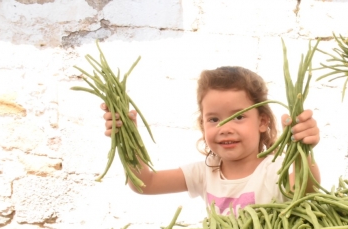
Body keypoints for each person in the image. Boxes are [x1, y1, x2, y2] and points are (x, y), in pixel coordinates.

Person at [102, 66, 321, 215]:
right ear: (202, 124)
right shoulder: (206, 171)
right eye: (214, 119)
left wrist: (302, 149)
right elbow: (145, 184)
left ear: (262, 121)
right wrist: (126, 138)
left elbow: (306, 191)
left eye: (238, 117)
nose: (225, 129)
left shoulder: (275, 170)